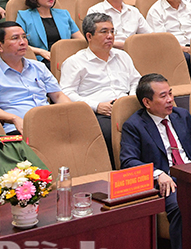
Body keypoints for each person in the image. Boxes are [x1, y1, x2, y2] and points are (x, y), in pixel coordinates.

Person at [120, 73, 191, 249]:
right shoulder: (134, 125)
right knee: (180, 205)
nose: (170, 100)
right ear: (147, 102)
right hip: (167, 180)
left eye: (170, 93)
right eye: (163, 96)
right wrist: (158, 174)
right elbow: (128, 161)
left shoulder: (182, 115)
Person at [59, 13, 140, 158]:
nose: (110, 36)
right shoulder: (75, 62)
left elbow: (136, 81)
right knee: (112, 132)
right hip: (98, 113)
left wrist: (131, 99)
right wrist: (96, 106)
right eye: (104, 32)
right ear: (89, 36)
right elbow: (66, 93)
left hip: (127, 106)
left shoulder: (122, 56)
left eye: (112, 31)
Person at [0, 21, 69, 134]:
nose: (23, 42)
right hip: (18, 128)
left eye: (24, 37)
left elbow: (58, 96)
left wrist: (71, 112)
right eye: (15, 38)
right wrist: (13, 118)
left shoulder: (39, 67)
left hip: (50, 122)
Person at [15, 0, 82, 62]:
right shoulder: (24, 16)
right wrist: (40, 52)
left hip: (66, 59)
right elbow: (18, 43)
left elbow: (80, 40)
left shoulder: (64, 14)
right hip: (39, 61)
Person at [86, 0, 151, 48]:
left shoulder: (133, 11)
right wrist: (128, 46)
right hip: (108, 52)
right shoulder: (95, 11)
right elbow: (96, 40)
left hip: (135, 52)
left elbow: (149, 36)